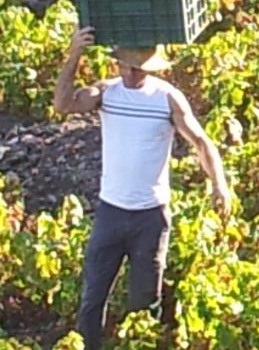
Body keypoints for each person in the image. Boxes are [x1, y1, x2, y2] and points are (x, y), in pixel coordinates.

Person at [53, 27, 231, 350]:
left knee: (145, 303)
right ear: (117, 64)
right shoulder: (106, 93)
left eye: (139, 67)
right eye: (127, 66)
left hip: (151, 218)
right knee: (92, 300)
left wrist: (219, 184)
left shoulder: (167, 99)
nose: (132, 73)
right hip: (111, 213)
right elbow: (63, 105)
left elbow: (202, 143)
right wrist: (75, 53)